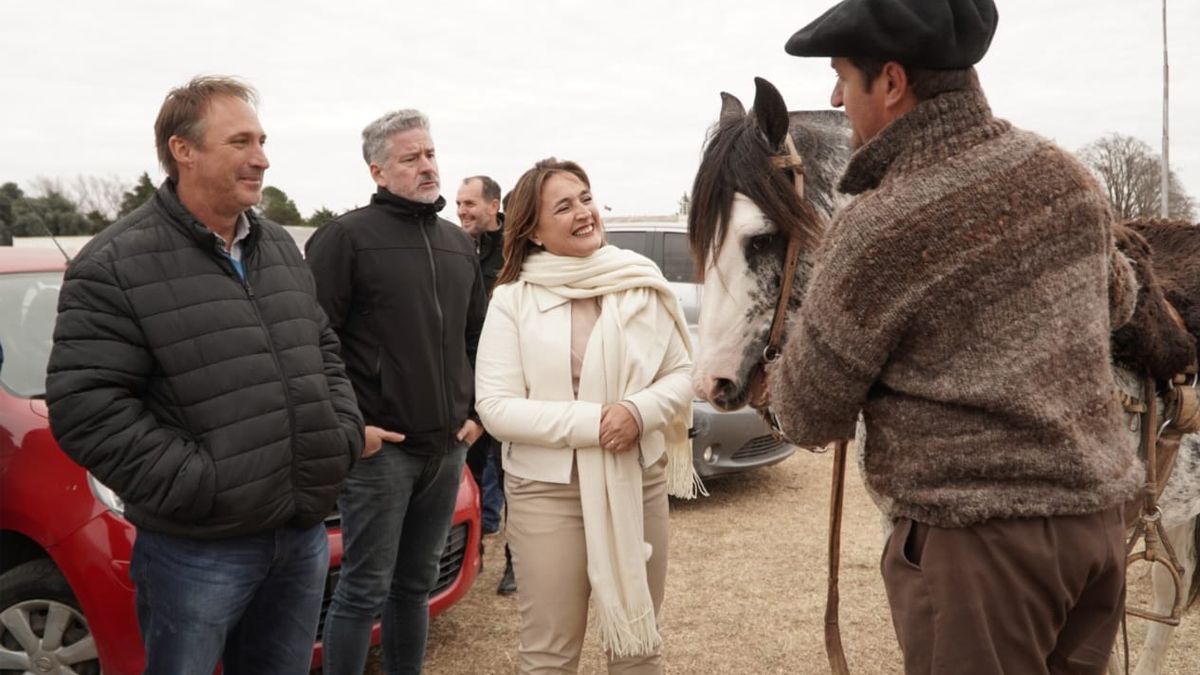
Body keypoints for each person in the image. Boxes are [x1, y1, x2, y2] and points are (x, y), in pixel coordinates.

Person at [770, 1, 1141, 673]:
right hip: (1098, 530)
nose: (832, 97)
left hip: (981, 558)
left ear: (890, 81)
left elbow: (805, 413)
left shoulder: (878, 227)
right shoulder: (1066, 178)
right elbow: (1119, 297)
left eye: (840, 77)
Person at [45, 76, 363, 675]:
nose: (262, 157)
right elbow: (87, 406)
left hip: (299, 533)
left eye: (262, 140)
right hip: (197, 547)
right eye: (240, 141)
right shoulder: (114, 263)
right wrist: (200, 483)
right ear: (182, 150)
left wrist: (339, 432)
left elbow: (321, 346)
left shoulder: (278, 249)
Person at [475, 158, 697, 674]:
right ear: (531, 228)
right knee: (549, 654)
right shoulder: (513, 300)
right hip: (548, 494)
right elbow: (496, 407)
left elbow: (681, 372)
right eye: (563, 206)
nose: (583, 212)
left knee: (638, 645)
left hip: (636, 482)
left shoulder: (639, 280)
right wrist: (596, 424)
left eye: (586, 198)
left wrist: (639, 412)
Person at [306, 109, 487, 675]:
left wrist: (477, 412)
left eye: (430, 154)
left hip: (448, 450)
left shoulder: (458, 244)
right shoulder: (345, 239)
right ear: (378, 171)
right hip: (380, 454)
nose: (427, 166)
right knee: (362, 590)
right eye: (411, 158)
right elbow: (311, 342)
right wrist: (350, 427)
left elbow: (478, 338)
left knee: (414, 588)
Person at [456, 173, 519, 595]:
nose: (461, 212)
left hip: (508, 387)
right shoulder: (454, 247)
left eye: (470, 204)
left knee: (511, 476)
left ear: (494, 206)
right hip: (467, 388)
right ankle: (471, 553)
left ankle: (517, 561)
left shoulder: (515, 252)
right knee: (471, 476)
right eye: (458, 205)